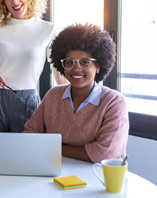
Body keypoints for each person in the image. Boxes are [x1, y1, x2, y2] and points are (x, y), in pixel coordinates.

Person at [24, 23, 129, 163]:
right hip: (55, 175)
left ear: (98, 66)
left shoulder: (114, 102)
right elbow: (29, 135)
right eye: (69, 62)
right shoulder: (53, 95)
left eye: (85, 62)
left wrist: (52, 146)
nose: (76, 69)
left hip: (96, 179)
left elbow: (106, 154)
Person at [0, 0, 68, 132]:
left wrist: (73, 102)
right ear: (2, 1)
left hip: (27, 100)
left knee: (25, 153)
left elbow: (59, 77)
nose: (15, 1)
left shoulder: (48, 30)